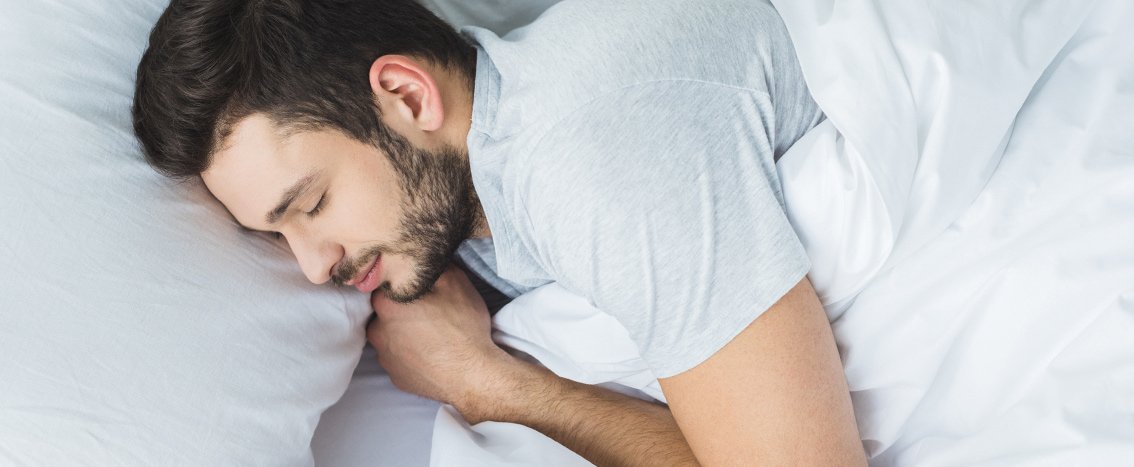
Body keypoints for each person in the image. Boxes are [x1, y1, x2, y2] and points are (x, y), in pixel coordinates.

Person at [132, 0, 865, 464]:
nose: (314, 267)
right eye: (277, 235)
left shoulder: (588, 149)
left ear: (406, 95)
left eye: (312, 203)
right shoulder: (467, 208)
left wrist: (491, 385)